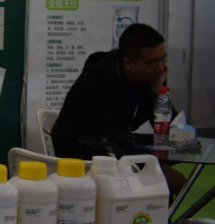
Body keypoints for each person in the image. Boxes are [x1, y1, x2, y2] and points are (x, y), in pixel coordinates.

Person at [51, 23, 184, 195]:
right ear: (128, 64)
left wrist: (159, 94)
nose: (160, 68)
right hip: (85, 156)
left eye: (163, 59)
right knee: (168, 181)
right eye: (152, 62)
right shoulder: (96, 83)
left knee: (171, 179)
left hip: (114, 148)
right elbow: (108, 140)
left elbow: (169, 130)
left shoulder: (150, 77)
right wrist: (158, 169)